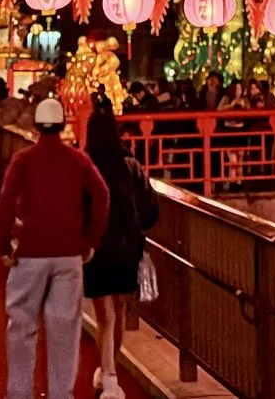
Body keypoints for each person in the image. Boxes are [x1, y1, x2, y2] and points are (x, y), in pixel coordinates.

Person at [0, 98, 109, 399]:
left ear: (35, 126)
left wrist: (4, 243)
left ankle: (19, 393)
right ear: (62, 126)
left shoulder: (23, 160)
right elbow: (102, 195)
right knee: (64, 328)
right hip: (69, 253)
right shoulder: (78, 159)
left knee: (21, 324)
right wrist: (90, 240)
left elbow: (5, 202)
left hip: (31, 251)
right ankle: (61, 393)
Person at [83, 104, 158, 399]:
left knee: (104, 315)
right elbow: (151, 210)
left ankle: (108, 374)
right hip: (127, 246)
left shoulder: (85, 164)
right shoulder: (131, 165)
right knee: (121, 308)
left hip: (96, 245)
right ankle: (109, 372)